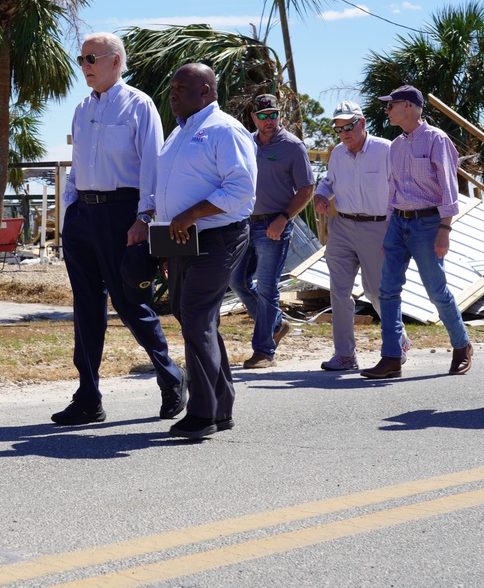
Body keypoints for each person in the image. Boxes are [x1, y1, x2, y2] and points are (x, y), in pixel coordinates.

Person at [52, 32, 187, 425]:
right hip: (84, 217)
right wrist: (69, 211)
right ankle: (88, 397)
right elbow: (78, 164)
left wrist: (144, 218)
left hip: (122, 215)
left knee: (130, 304)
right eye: (81, 59)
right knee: (86, 308)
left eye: (91, 58)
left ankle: (172, 377)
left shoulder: (138, 104)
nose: (85, 66)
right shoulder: (81, 108)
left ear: (115, 60)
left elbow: (152, 165)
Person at [155, 63, 257, 439]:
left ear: (207, 91)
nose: (173, 93)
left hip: (219, 236)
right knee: (193, 317)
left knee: (196, 315)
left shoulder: (224, 130)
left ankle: (203, 413)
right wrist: (165, 241)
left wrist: (191, 214)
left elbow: (240, 190)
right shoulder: (177, 134)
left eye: (181, 86)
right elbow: (167, 190)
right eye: (172, 86)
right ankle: (222, 405)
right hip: (181, 241)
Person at [361, 85, 473, 379]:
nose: (386, 110)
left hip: (428, 225)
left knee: (437, 292)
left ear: (409, 106)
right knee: (387, 291)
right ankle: (391, 357)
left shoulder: (437, 139)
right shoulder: (395, 145)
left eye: (391, 105)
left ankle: (462, 346)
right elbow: (392, 189)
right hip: (398, 223)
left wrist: (444, 230)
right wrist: (388, 228)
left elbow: (450, 189)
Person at [313, 101, 409, 370]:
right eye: (339, 129)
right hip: (342, 226)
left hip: (378, 227)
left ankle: (398, 341)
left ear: (363, 123)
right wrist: (321, 195)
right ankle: (345, 355)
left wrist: (396, 229)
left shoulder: (386, 149)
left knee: (377, 291)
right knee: (339, 291)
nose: (344, 133)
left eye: (349, 126)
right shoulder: (337, 155)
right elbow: (329, 182)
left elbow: (402, 188)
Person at [229, 94, 314, 369]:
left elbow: (307, 188)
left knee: (267, 288)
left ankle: (264, 352)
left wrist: (284, 218)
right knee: (237, 281)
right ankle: (276, 325)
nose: (269, 120)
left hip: (273, 226)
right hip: (244, 223)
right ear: (253, 117)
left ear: (280, 116)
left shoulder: (293, 146)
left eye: (273, 115)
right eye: (263, 116)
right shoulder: (245, 142)